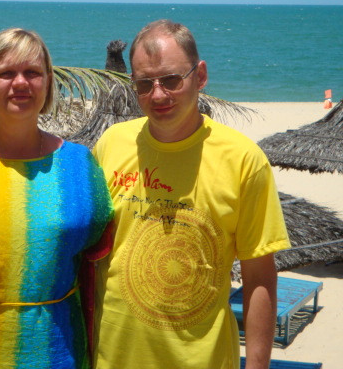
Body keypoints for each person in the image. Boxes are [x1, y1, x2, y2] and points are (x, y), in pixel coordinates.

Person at [92, 20, 290, 369]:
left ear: (200, 76)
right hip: (109, 358)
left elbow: (259, 277)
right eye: (144, 84)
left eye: (171, 80)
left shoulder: (243, 160)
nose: (157, 95)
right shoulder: (111, 144)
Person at [0, 28, 113, 369]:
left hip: (58, 353)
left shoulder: (79, 166)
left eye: (32, 72)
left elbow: (98, 267)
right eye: (5, 73)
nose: (20, 83)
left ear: (48, 83)